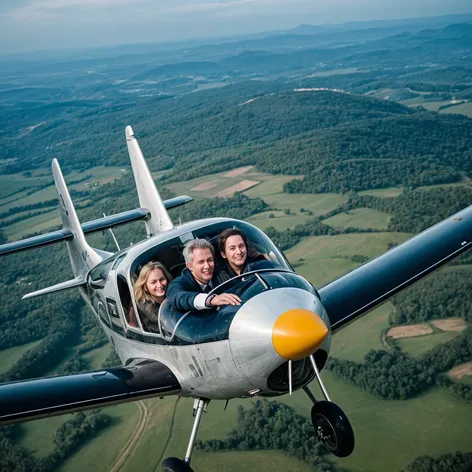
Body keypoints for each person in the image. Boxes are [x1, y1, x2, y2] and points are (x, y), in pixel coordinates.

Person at [167, 238, 241, 312]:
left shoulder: (222, 272)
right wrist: (210, 299)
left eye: (210, 260)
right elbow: (176, 296)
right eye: (201, 262)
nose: (207, 266)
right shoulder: (180, 283)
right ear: (189, 266)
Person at [129, 261, 172, 332]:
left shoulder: (172, 292)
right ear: (145, 286)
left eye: (162, 279)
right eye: (153, 282)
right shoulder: (147, 308)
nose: (159, 285)